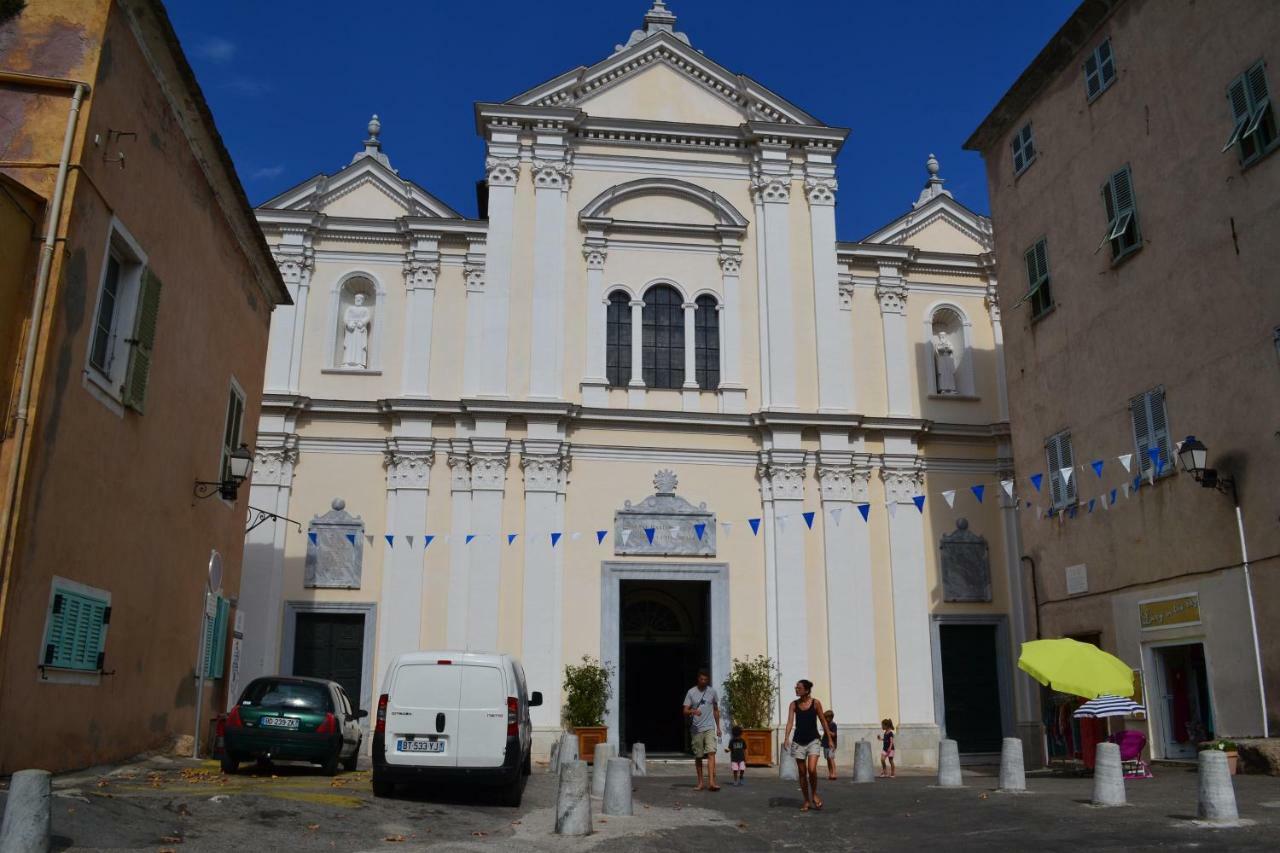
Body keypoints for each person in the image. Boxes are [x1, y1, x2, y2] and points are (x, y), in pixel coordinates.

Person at [782, 679, 833, 812]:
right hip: (798, 741)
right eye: (796, 687)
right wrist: (786, 737)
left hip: (813, 740)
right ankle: (806, 800)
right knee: (802, 773)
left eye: (798, 687)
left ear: (806, 690)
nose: (796, 689)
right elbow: (789, 722)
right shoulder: (793, 705)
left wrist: (829, 738)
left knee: (811, 769)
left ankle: (814, 794)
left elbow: (822, 720)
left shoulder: (816, 703)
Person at [682, 669, 721, 791]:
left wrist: (718, 727)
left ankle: (711, 782)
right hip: (696, 728)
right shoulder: (691, 692)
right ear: (698, 679)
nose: (704, 681)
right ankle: (700, 783)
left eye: (706, 680)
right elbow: (684, 711)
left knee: (711, 752)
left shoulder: (712, 692)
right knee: (698, 756)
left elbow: (715, 710)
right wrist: (693, 711)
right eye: (702, 679)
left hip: (709, 727)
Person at [822, 709, 838, 780]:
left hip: (832, 744)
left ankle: (834, 773)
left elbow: (834, 734)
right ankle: (830, 773)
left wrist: (827, 731)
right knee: (828, 759)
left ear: (831, 717)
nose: (825, 719)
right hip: (825, 743)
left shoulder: (833, 725)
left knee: (831, 758)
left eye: (826, 718)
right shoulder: (826, 724)